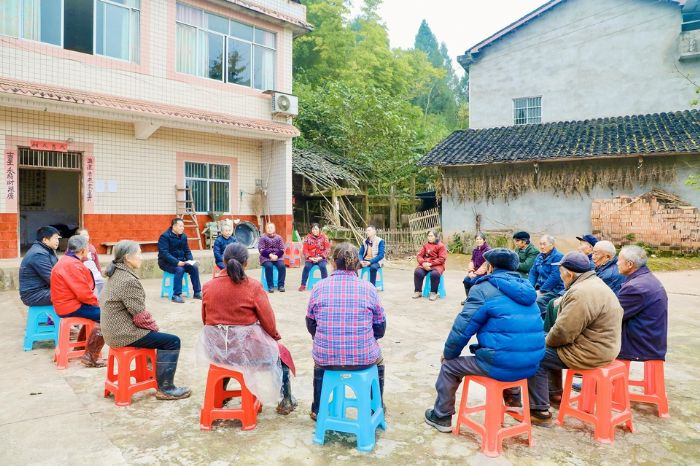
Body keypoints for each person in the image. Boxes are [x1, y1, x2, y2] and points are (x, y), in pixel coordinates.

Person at [424, 249, 545, 432]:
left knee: (450, 366)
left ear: (489, 267)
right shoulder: (527, 290)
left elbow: (462, 328)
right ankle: (513, 401)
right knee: (509, 348)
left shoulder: (483, 289)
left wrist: (448, 354)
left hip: (502, 364)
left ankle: (441, 416)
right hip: (531, 365)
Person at [526, 252, 623, 425]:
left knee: (533, 354)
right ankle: (554, 393)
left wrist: (542, 342)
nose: (560, 276)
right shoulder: (594, 283)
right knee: (543, 341)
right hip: (604, 347)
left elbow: (563, 333)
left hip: (590, 352)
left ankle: (539, 411)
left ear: (569, 274)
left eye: (561, 272)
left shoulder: (580, 292)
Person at [199, 243, 296, 413]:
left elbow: (205, 320)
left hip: (217, 352)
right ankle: (286, 401)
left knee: (228, 352)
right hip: (247, 353)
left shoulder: (208, 287)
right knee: (282, 356)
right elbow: (268, 321)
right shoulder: (253, 286)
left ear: (224, 260)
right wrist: (274, 336)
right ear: (246, 263)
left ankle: (219, 395)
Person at [101, 240, 191, 400]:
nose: (141, 257)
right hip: (123, 334)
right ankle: (166, 388)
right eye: (139, 254)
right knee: (171, 341)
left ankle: (155, 376)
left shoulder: (116, 273)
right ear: (128, 257)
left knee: (157, 337)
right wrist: (154, 329)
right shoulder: (128, 280)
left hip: (112, 332)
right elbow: (141, 316)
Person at [306, 243, 386, 420]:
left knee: (318, 362)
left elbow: (311, 324)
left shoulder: (319, 287)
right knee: (379, 361)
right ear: (357, 263)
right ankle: (376, 406)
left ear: (333, 263)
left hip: (326, 358)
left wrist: (324, 337)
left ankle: (317, 409)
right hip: (363, 358)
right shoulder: (369, 288)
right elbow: (380, 327)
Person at [50, 235, 106, 367]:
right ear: (81, 250)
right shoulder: (72, 265)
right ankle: (90, 356)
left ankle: (81, 348)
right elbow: (84, 294)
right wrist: (97, 304)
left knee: (97, 313)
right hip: (70, 306)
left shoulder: (66, 260)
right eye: (87, 248)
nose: (89, 250)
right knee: (108, 316)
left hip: (66, 304)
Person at [617, 245, 668, 362]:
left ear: (629, 264)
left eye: (619, 260)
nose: (617, 263)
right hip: (651, 343)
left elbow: (612, 316)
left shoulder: (635, 287)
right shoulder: (646, 279)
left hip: (639, 346)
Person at [157, 218, 202, 304]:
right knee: (179, 269)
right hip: (166, 262)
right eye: (180, 226)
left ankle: (197, 292)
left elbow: (187, 251)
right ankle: (176, 295)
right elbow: (164, 253)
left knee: (194, 267)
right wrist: (176, 262)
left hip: (181, 261)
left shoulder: (183, 236)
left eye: (183, 226)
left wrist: (191, 261)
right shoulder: (165, 236)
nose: (182, 228)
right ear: (174, 226)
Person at [19, 226, 60, 307]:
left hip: (43, 290)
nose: (58, 241)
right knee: (70, 294)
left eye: (58, 238)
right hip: (33, 295)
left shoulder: (47, 250)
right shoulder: (38, 254)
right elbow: (52, 279)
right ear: (45, 240)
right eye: (55, 238)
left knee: (74, 290)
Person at [528, 235, 564, 317]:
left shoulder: (558, 257)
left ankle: (546, 322)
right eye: (540, 244)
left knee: (537, 301)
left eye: (544, 244)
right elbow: (533, 272)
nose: (541, 247)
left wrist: (542, 290)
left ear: (551, 245)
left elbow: (555, 277)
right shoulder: (539, 256)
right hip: (539, 287)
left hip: (553, 289)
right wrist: (530, 287)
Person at [413, 230, 448, 301]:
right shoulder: (425, 245)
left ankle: (433, 292)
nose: (429, 237)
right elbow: (419, 256)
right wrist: (423, 263)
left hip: (437, 265)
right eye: (428, 236)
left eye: (431, 236)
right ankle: (418, 291)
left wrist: (431, 264)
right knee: (418, 272)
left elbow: (442, 259)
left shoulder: (441, 246)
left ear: (435, 237)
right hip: (425, 264)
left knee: (434, 274)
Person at [299, 223, 331, 291]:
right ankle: (303, 284)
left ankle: (325, 285)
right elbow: (305, 249)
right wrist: (310, 257)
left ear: (319, 229)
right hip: (310, 258)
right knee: (306, 267)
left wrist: (321, 257)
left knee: (323, 266)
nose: (314, 230)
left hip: (321, 258)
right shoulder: (307, 238)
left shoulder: (324, 237)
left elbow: (327, 249)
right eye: (313, 229)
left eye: (316, 229)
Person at [258, 222, 286, 293]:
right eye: (268, 228)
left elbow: (282, 249)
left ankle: (281, 285)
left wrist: (276, 256)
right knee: (269, 266)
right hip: (266, 257)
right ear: (266, 229)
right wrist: (270, 255)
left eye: (271, 227)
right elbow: (261, 249)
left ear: (274, 229)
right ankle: (270, 286)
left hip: (277, 257)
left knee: (282, 266)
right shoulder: (263, 237)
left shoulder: (279, 237)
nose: (270, 229)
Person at [461, 233, 490, 302]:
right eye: (477, 239)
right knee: (466, 280)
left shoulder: (488, 250)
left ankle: (475, 300)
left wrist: (476, 273)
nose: (478, 240)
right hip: (474, 272)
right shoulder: (475, 250)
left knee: (473, 281)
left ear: (484, 240)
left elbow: (486, 265)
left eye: (480, 239)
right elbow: (472, 261)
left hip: (484, 273)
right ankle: (469, 299)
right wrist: (471, 271)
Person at [78, 228, 104, 297]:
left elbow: (96, 262)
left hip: (93, 273)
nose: (86, 237)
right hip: (81, 274)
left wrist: (99, 272)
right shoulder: (75, 248)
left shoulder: (92, 247)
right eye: (83, 235)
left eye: (87, 235)